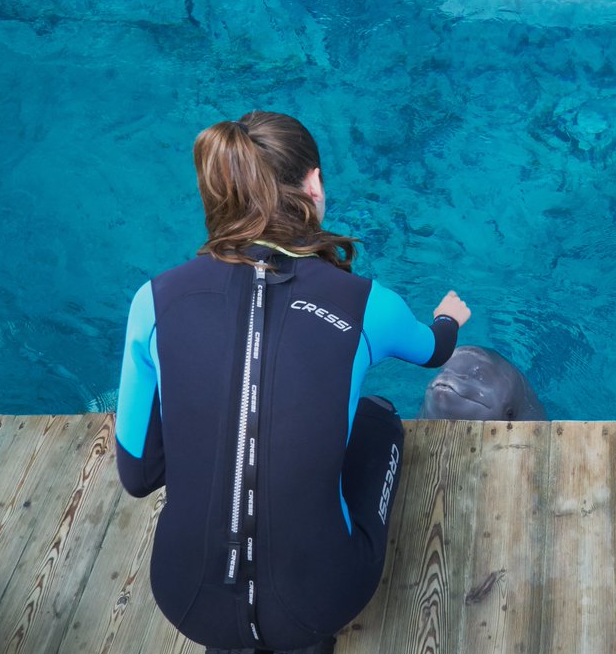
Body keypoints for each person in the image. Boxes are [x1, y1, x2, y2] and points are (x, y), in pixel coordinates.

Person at [115, 111, 471, 654]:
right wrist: (448, 317)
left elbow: (139, 474)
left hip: (186, 598)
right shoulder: (366, 304)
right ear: (315, 184)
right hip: (321, 599)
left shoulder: (154, 301)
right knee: (377, 417)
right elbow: (433, 351)